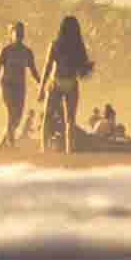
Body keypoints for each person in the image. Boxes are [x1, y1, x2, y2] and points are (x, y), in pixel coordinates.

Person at [0, 21, 39, 151]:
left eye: (21, 32)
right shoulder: (5, 51)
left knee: (16, 120)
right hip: (6, 85)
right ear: (11, 34)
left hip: (20, 87)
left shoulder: (27, 52)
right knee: (11, 113)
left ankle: (0, 145)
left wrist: (41, 86)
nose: (19, 34)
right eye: (16, 32)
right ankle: (11, 145)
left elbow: (33, 71)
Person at [40, 14, 94, 155]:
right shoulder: (78, 46)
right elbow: (82, 69)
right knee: (69, 119)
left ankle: (44, 149)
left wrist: (41, 88)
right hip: (70, 83)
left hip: (56, 82)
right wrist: (87, 69)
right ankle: (69, 149)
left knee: (48, 117)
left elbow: (47, 66)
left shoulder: (55, 44)